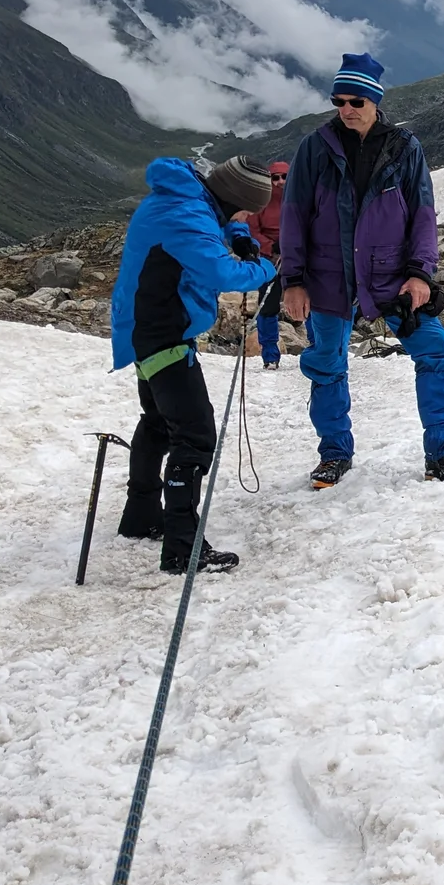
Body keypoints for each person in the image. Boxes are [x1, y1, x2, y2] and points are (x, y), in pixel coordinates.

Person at [279, 52, 444, 488]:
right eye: (339, 101)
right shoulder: (315, 148)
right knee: (327, 364)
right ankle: (334, 454)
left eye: (355, 102)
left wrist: (421, 273)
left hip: (391, 275)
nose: (345, 109)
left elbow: (422, 213)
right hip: (327, 275)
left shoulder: (404, 148)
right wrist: (293, 280)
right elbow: (293, 216)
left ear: (374, 102)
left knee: (434, 351)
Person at [110, 154, 278, 574]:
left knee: (158, 424)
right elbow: (222, 274)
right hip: (164, 333)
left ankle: (141, 515)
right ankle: (183, 548)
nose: (243, 217)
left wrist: (239, 234)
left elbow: (216, 222)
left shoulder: (185, 197)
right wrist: (263, 267)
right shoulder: (187, 216)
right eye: (244, 210)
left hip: (144, 329)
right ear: (233, 197)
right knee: (195, 436)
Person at [248, 160, 289, 369]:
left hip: (296, 255)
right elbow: (253, 230)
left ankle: (317, 347)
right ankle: (270, 355)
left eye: (284, 177)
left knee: (308, 300)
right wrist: (271, 247)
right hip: (269, 258)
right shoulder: (260, 202)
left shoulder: (300, 199)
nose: (280, 182)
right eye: (275, 177)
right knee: (268, 305)